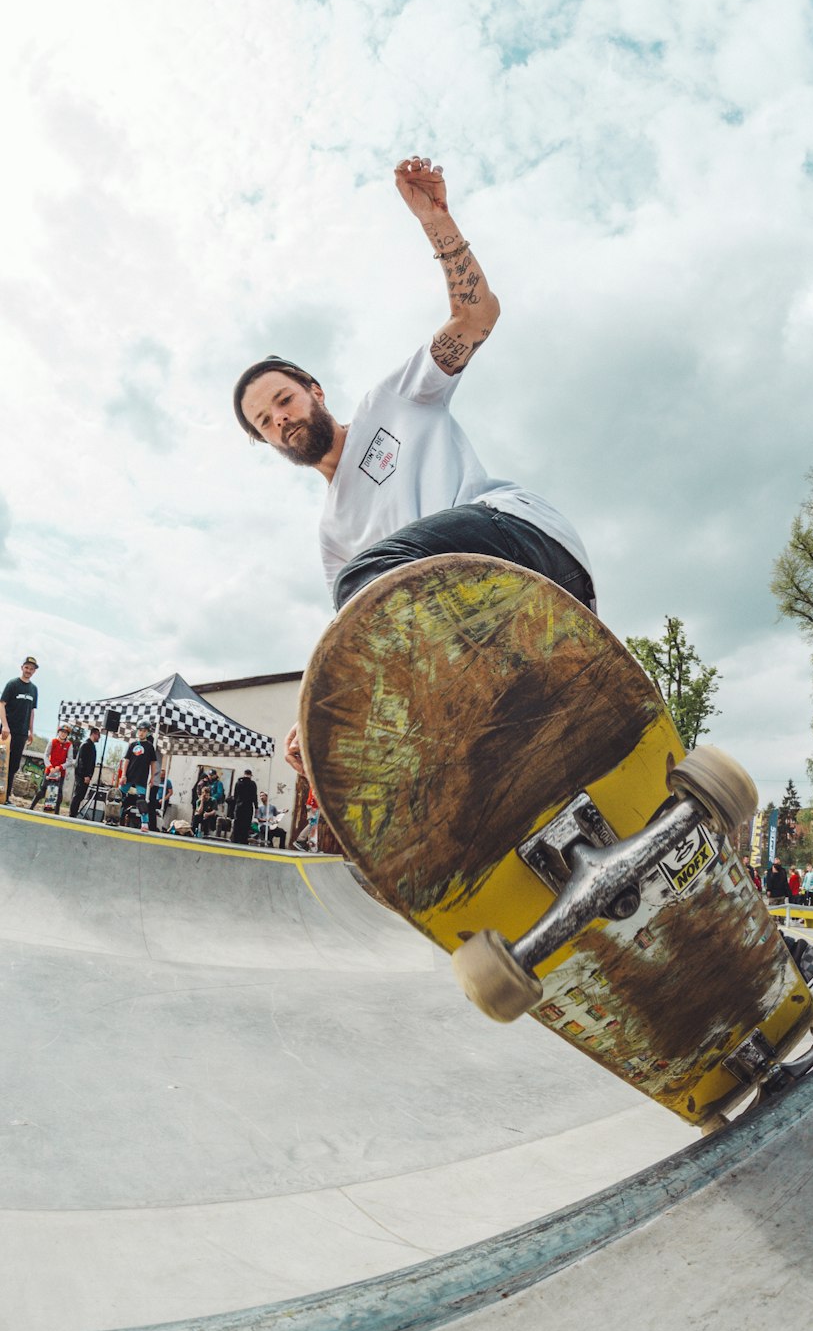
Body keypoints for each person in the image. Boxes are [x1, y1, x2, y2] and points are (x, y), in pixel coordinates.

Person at [233, 155, 594, 780]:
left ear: (314, 390)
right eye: (266, 423)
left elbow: (477, 318)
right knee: (370, 634)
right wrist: (314, 716)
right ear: (268, 444)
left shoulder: (391, 401)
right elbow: (359, 647)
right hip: (520, 628)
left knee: (365, 587)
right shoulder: (333, 534)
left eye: (284, 400)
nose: (282, 421)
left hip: (523, 548)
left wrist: (437, 222)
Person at [1, 656, 40, 800]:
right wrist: (4, 725)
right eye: (27, 667)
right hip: (8, 731)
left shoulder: (34, 689)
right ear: (22, 667)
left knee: (14, 765)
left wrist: (31, 731)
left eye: (32, 668)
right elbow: (1, 704)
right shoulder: (12, 684)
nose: (29, 670)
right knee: (1, 761)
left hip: (22, 733)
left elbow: (31, 711)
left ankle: (5, 796)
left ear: (34, 671)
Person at [116, 723, 158, 832]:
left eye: (144, 731)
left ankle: (144, 824)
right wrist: (123, 775)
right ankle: (115, 818)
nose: (141, 733)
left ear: (148, 732)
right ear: (137, 731)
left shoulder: (149, 747)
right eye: (140, 730)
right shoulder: (132, 745)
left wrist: (152, 777)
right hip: (129, 776)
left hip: (141, 777)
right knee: (119, 797)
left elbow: (153, 763)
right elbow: (127, 760)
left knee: (141, 801)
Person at [29, 725, 74, 810]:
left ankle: (56, 812)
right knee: (42, 790)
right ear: (58, 732)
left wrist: (60, 767)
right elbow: (46, 755)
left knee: (59, 793)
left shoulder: (69, 745)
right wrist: (50, 767)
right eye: (62, 732)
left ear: (67, 734)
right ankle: (31, 806)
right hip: (49, 771)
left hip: (61, 772)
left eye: (65, 733)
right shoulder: (52, 741)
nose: (63, 734)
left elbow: (70, 761)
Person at [69, 726, 101, 819]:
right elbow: (82, 761)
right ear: (94, 734)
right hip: (81, 775)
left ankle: (74, 812)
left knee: (81, 795)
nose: (99, 737)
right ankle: (72, 813)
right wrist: (86, 775)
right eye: (98, 735)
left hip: (86, 775)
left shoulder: (91, 746)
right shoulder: (86, 745)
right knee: (78, 794)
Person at [231, 769, 259, 844]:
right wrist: (256, 807)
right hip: (248, 806)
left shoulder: (238, 783)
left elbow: (235, 795)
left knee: (237, 823)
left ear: (244, 774)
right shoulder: (252, 784)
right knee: (246, 823)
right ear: (250, 775)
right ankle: (243, 839)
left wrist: (235, 805)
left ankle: (235, 839)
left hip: (239, 806)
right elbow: (254, 796)